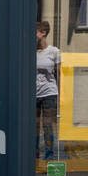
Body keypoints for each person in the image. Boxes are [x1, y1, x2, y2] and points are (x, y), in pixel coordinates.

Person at [35, 20, 61, 162]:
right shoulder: (30, 51)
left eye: (35, 31)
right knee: (34, 125)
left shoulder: (54, 52)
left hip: (49, 93)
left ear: (43, 33)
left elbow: (59, 74)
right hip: (33, 93)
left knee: (47, 125)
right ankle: (34, 154)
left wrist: (61, 96)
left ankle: (49, 155)